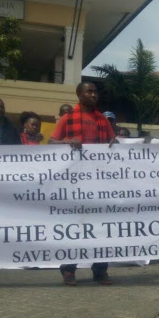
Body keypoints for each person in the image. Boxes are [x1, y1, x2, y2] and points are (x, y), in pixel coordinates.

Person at [49, 81, 116, 286]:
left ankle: (100, 270)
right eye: (89, 91)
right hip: (74, 184)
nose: (94, 95)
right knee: (74, 227)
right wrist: (66, 142)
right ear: (79, 94)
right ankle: (69, 270)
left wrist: (115, 144)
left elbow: (113, 143)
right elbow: (51, 143)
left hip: (98, 183)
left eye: (95, 91)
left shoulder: (103, 121)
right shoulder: (67, 119)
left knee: (100, 227)